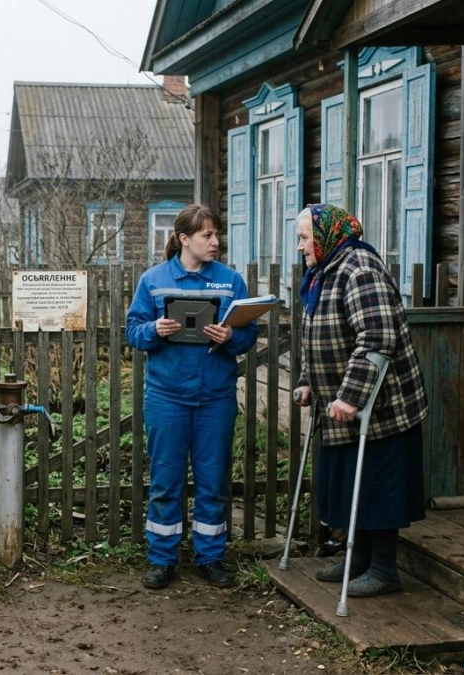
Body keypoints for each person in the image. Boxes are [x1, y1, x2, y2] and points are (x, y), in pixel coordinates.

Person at [291, 203, 429, 598]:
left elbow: (377, 338)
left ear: (326, 236)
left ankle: (385, 569)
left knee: (377, 485)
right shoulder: (324, 272)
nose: (300, 247)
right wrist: (307, 382)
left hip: (382, 407)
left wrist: (350, 398)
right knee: (356, 483)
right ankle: (362, 561)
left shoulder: (359, 269)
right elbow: (316, 336)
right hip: (347, 407)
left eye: (304, 238)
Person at [125, 204, 258, 590]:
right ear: (184, 239)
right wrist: (155, 329)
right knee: (166, 481)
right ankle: (162, 559)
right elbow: (132, 331)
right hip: (167, 398)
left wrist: (233, 337)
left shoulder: (231, 282)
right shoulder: (153, 280)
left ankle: (211, 558)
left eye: (216, 235)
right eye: (207, 236)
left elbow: (249, 335)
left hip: (216, 398)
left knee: (213, 481)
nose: (215, 242)